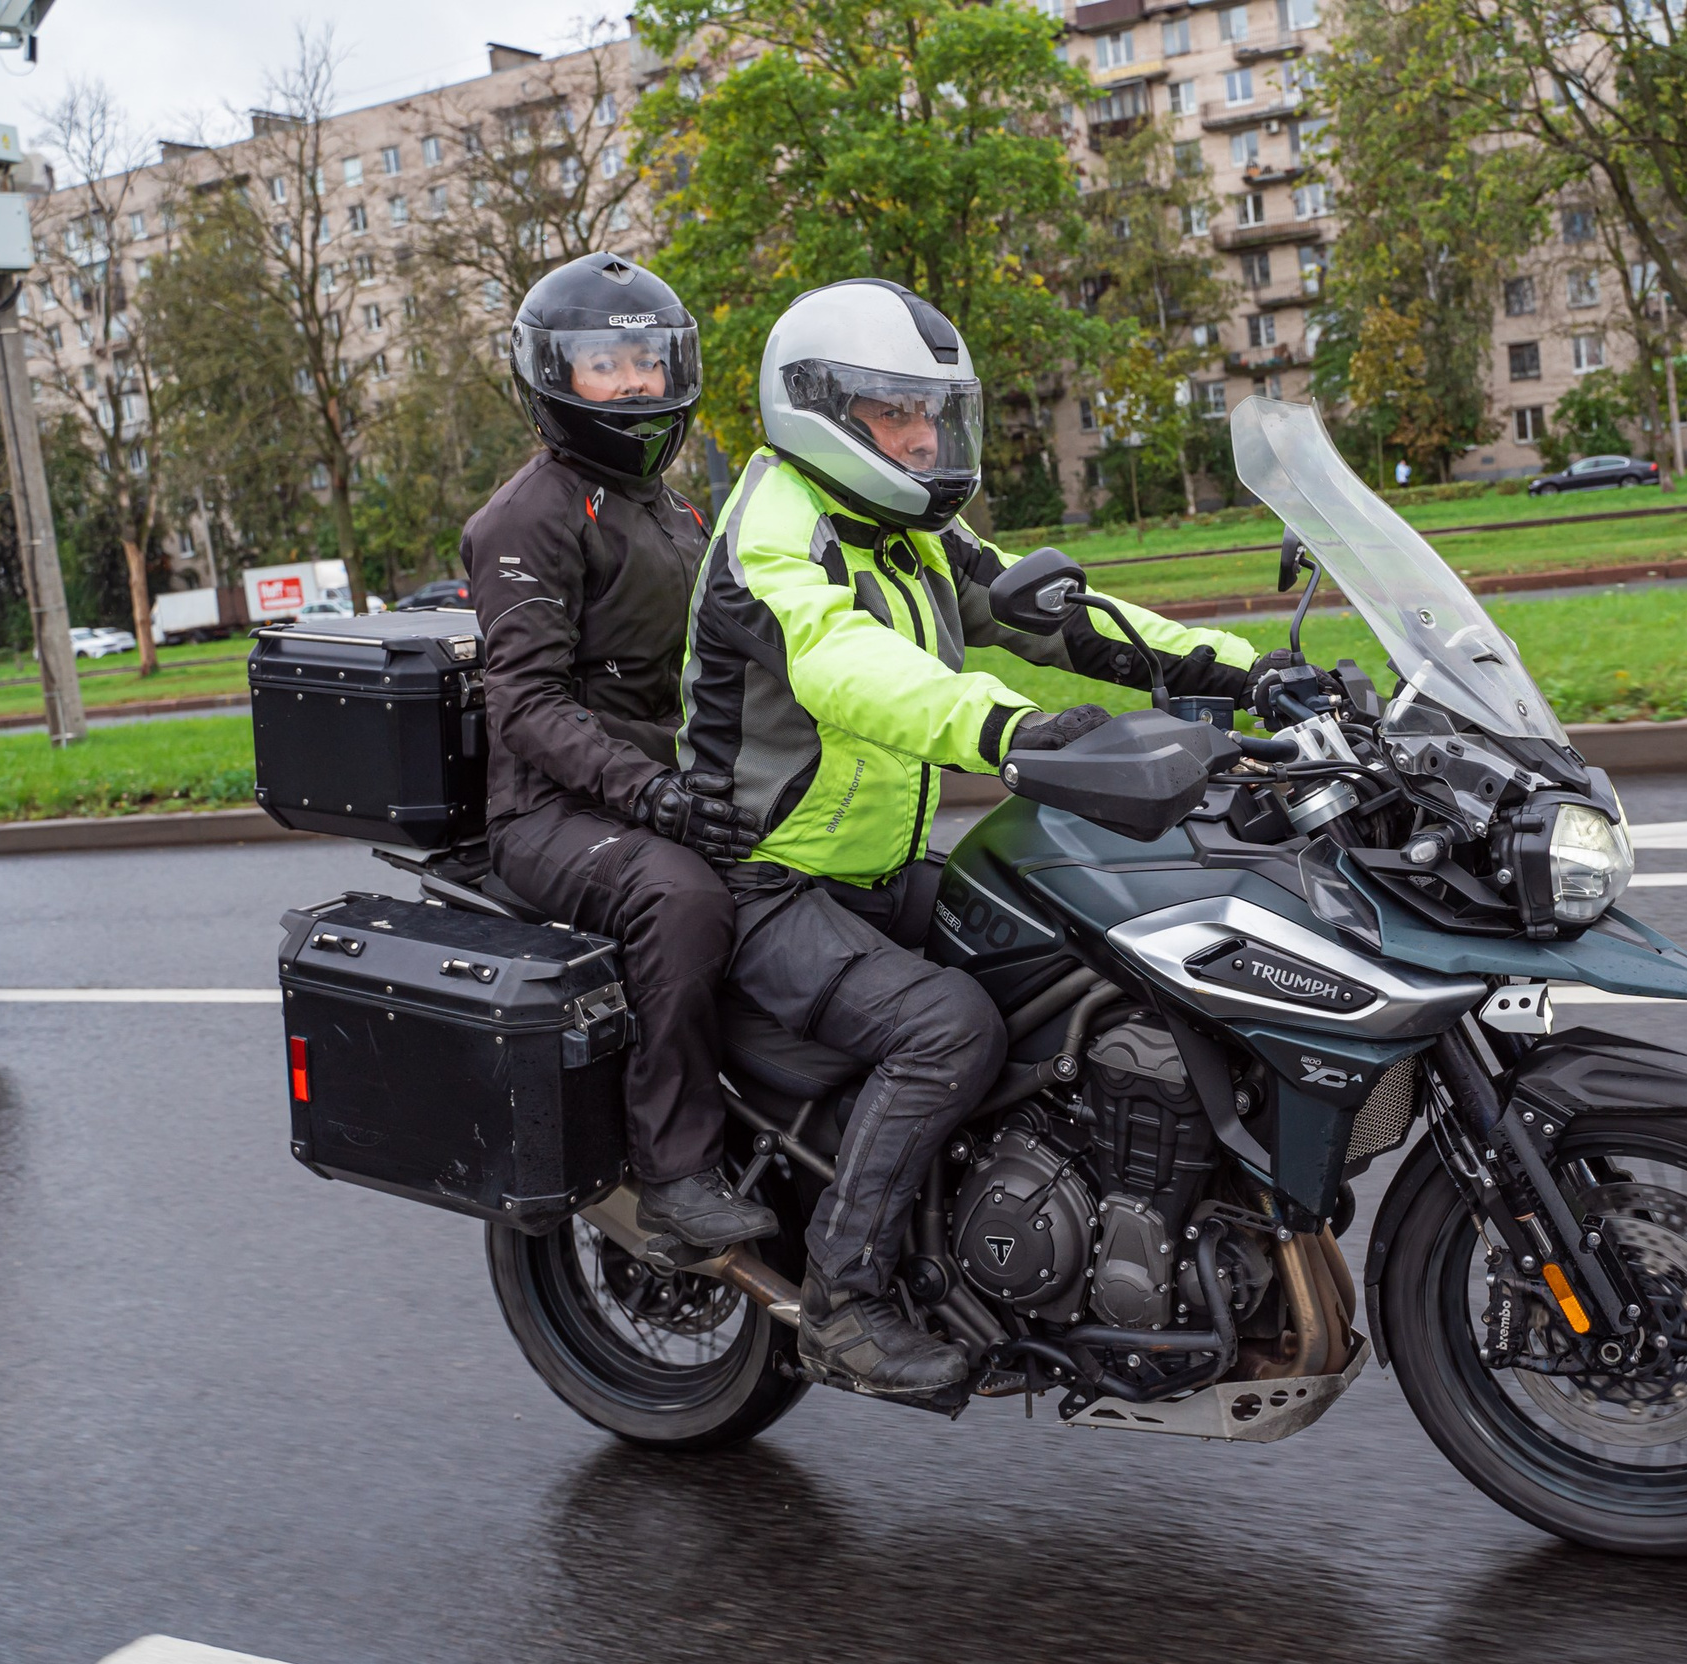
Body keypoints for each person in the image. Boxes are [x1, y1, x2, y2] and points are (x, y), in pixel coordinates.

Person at [676, 277, 1292, 1399]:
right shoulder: (773, 537)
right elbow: (850, 667)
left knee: (1092, 953)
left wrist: (1249, 671)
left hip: (875, 869)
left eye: (931, 414)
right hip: (766, 883)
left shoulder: (909, 523)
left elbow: (1058, 612)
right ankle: (844, 1302)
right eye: (893, 414)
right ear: (819, 410)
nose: (920, 438)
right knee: (948, 1028)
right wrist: (1004, 726)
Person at [461, 252, 774, 1250]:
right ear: (555, 377)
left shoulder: (676, 510)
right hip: (548, 813)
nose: (635, 383)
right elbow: (527, 707)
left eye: (648, 359)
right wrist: (654, 796)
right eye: (607, 365)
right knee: (679, 899)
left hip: (658, 785)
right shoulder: (526, 519)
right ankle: (673, 1170)